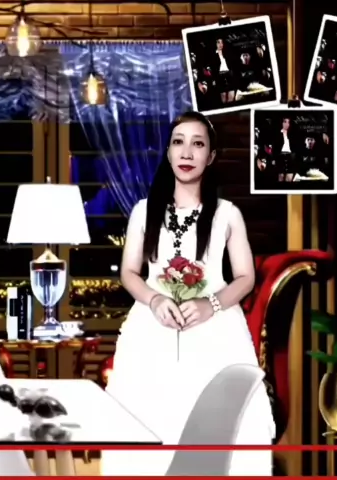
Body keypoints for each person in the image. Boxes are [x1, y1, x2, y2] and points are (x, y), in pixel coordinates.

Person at [101, 111, 274, 476]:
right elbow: (130, 273)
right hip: (152, 326)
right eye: (178, 142)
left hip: (215, 327)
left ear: (211, 156)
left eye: (198, 144)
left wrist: (211, 304)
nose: (187, 152)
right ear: (168, 152)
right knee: (147, 418)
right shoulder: (143, 211)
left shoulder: (227, 214)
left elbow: (245, 277)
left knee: (222, 424)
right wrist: (155, 299)